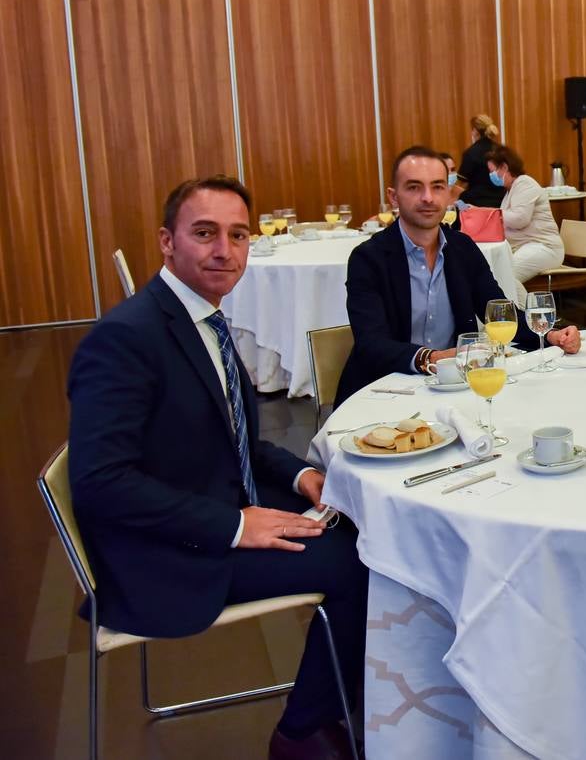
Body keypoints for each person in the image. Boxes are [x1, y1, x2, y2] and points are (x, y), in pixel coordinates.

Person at [67, 176, 368, 759]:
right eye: (204, 234)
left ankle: (342, 688)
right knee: (361, 561)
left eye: (237, 235)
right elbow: (100, 485)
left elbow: (236, 440)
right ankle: (302, 733)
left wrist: (300, 476)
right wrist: (235, 525)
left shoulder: (204, 320)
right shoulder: (125, 340)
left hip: (210, 503)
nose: (223, 251)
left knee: (363, 524)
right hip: (164, 552)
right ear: (166, 241)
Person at [336, 146, 580, 405]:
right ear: (394, 197)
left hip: (453, 390)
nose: (428, 197)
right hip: (385, 392)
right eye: (414, 187)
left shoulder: (462, 248)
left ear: (449, 193)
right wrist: (435, 358)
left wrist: (551, 335)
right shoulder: (369, 258)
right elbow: (371, 343)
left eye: (438, 187)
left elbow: (497, 313)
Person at [487, 144, 566, 305]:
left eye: (493, 170)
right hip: (528, 247)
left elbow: (519, 219)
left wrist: (491, 214)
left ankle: (532, 319)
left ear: (504, 167)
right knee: (498, 272)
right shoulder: (511, 190)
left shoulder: (525, 183)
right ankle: (527, 317)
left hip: (544, 247)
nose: (491, 175)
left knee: (507, 275)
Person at [459, 114, 506, 207]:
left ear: (475, 131)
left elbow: (463, 182)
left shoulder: (470, 152)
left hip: (477, 203)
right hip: (503, 201)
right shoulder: (501, 150)